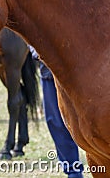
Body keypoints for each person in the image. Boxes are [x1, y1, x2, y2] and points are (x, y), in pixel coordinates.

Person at [30, 47, 84, 178]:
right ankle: (73, 172)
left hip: (80, 68)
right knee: (55, 122)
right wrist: (36, 49)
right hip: (48, 69)